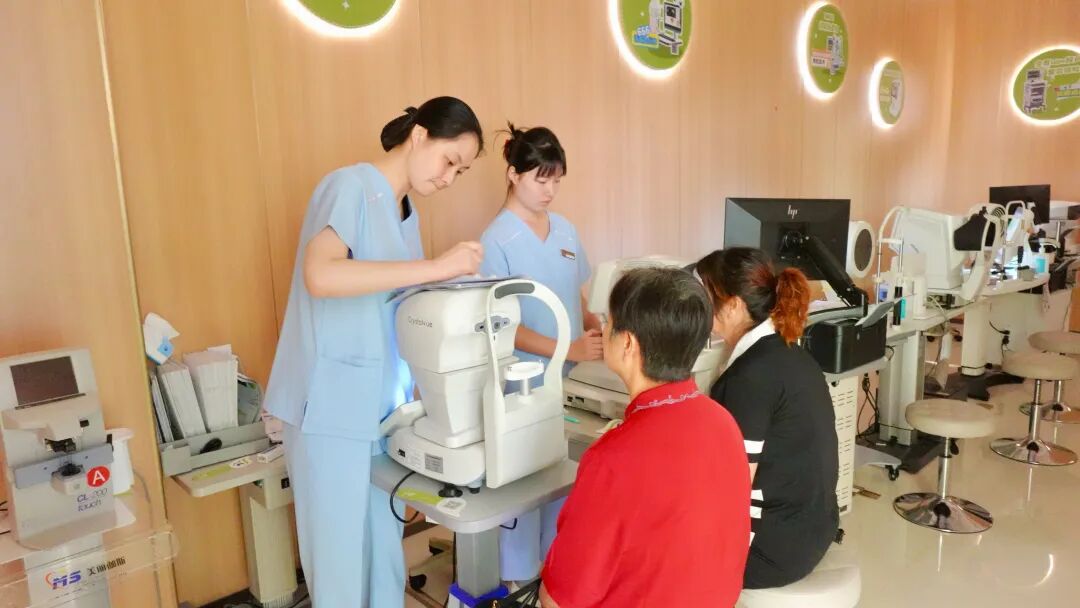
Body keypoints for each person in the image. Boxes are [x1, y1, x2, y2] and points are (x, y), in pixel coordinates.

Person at [263, 97, 485, 607]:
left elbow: (396, 304)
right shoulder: (351, 187)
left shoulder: (406, 214)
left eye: (461, 171)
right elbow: (321, 274)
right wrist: (436, 269)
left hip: (382, 414)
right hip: (330, 411)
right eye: (450, 161)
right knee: (340, 569)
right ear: (420, 135)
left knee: (384, 558)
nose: (450, 178)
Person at [540, 267, 751, 607]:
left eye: (608, 322)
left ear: (627, 343)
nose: (602, 329)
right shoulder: (723, 422)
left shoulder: (613, 459)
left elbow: (560, 597)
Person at [478, 124, 603, 584]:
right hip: (523, 382)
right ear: (513, 174)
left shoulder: (565, 228)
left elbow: (575, 292)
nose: (550, 190)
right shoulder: (495, 241)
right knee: (525, 482)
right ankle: (516, 579)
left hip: (570, 379)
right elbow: (501, 328)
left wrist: (594, 322)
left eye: (556, 180)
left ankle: (554, 574)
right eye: (540, 179)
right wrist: (567, 348)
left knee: (561, 480)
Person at [695, 247, 840, 590]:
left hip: (772, 551)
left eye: (705, 295)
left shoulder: (750, 376)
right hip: (814, 529)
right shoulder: (786, 350)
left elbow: (733, 486)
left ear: (733, 306)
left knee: (654, 543)